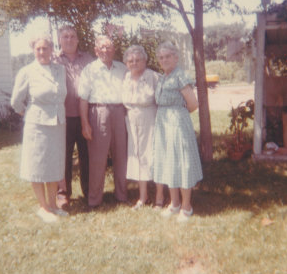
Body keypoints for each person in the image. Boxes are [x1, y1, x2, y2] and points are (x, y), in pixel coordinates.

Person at [11, 35, 68, 222]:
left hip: (58, 123)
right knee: (37, 165)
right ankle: (43, 207)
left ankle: (53, 204)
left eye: (46, 48)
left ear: (52, 49)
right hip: (37, 124)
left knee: (53, 164)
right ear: (33, 50)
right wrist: (28, 114)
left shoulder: (60, 70)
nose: (42, 52)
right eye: (38, 49)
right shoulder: (27, 71)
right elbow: (16, 102)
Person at [153, 41, 203, 222]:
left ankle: (186, 207)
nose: (164, 60)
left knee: (181, 163)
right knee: (169, 162)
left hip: (177, 124)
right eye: (161, 57)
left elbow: (193, 104)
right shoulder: (163, 77)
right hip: (163, 125)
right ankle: (174, 204)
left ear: (176, 57)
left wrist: (178, 116)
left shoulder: (180, 75)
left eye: (168, 56)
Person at [78, 35, 128, 207]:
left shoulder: (122, 68)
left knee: (121, 156)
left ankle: (121, 195)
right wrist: (85, 124)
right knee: (98, 159)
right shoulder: (89, 70)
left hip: (120, 112)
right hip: (99, 113)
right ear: (96, 50)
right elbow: (83, 99)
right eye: (102, 47)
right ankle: (95, 199)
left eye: (109, 47)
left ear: (114, 50)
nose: (106, 50)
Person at [53, 25, 94, 208]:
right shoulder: (53, 60)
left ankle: (89, 190)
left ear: (77, 40)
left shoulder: (88, 59)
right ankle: (63, 193)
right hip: (62, 116)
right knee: (64, 156)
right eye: (65, 37)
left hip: (86, 115)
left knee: (87, 156)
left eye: (72, 36)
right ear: (60, 40)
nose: (69, 40)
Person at [122, 45, 164, 210]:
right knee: (138, 157)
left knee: (154, 156)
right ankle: (143, 196)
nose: (134, 63)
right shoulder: (125, 78)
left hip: (151, 120)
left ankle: (159, 197)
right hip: (132, 122)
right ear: (126, 63)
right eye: (130, 60)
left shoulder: (154, 77)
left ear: (145, 60)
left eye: (138, 60)